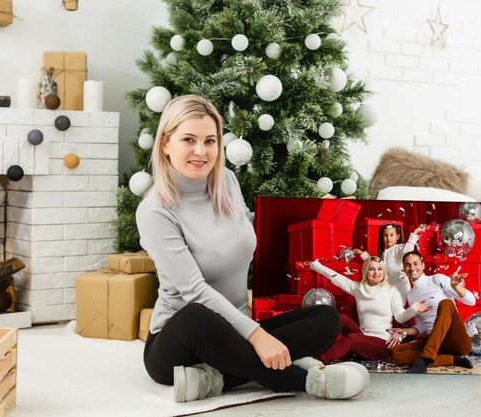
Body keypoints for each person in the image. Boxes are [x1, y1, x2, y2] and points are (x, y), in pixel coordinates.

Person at [135, 95, 369, 403]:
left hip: (236, 332)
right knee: (197, 314)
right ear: (165, 143)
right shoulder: (154, 211)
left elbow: (250, 225)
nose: (200, 151)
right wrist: (257, 336)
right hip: (181, 341)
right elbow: (194, 290)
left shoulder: (226, 181)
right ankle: (307, 380)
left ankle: (211, 379)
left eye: (210, 140)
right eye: (188, 140)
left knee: (326, 320)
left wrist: (315, 210)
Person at [309, 256, 432, 364]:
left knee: (352, 338)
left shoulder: (391, 290)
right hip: (363, 336)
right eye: (372, 269)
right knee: (339, 318)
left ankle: (317, 360)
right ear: (366, 271)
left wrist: (414, 308)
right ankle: (313, 346)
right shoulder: (358, 288)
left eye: (379, 269)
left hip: (382, 343)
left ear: (384, 271)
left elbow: (400, 316)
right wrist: (315, 265)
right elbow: (336, 277)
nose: (376, 272)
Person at [389, 250, 476, 374]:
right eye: (407, 265)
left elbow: (472, 301)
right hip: (433, 342)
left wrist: (456, 287)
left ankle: (425, 360)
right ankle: (450, 359)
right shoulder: (411, 295)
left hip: (454, 340)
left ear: (422, 265)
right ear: (404, 268)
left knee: (446, 304)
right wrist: (405, 331)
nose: (412, 267)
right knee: (395, 352)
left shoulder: (437, 279)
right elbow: (422, 325)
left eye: (415, 263)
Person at [359, 223, 425, 302]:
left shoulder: (399, 248)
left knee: (399, 306)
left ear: (397, 236)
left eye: (391, 235)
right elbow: (378, 265)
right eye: (386, 235)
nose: (388, 238)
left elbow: (407, 252)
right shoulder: (384, 253)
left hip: (400, 285)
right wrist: (363, 255)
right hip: (389, 284)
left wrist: (413, 236)